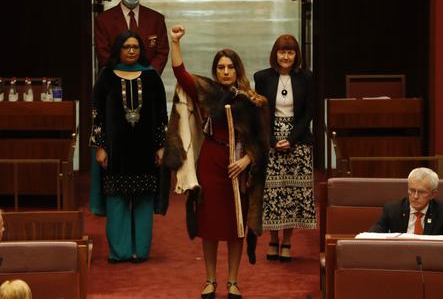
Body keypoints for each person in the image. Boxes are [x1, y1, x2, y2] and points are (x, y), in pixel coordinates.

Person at [166, 25, 269, 299]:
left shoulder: (251, 101)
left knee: (236, 227)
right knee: (210, 226)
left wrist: (247, 159)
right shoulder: (208, 92)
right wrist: (174, 42)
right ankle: (210, 280)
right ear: (215, 71)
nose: (225, 72)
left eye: (230, 67)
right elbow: (181, 74)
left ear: (238, 70)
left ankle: (233, 281)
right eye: (220, 67)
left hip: (239, 170)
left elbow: (262, 142)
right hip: (210, 164)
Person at [90, 30, 168, 264]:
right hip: (115, 152)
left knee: (143, 201)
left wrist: (161, 146)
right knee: (117, 202)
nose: (132, 50)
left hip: (145, 150)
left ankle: (140, 251)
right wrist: (100, 147)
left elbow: (162, 115)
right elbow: (97, 115)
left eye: (135, 47)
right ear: (119, 50)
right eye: (127, 47)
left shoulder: (152, 77)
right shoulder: (106, 77)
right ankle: (120, 251)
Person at [253, 34, 316, 263]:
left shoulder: (306, 78)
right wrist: (270, 140)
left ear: (296, 55)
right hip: (271, 138)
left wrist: (290, 138)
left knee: (292, 194)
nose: (286, 56)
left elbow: (309, 112)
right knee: (272, 193)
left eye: (290, 52)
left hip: (297, 140)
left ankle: (287, 241)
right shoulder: (262, 77)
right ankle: (272, 240)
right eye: (282, 52)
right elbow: (260, 112)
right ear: (275, 54)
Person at [94, 0, 169, 74]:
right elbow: (103, 53)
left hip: (148, 81)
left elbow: (162, 52)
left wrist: (149, 74)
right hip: (115, 81)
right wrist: (123, 75)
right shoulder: (104, 20)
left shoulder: (156, 19)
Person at [369, 167, 443, 235]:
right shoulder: (392, 209)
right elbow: (374, 234)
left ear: (433, 194)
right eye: (412, 190)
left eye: (422, 192)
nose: (415, 196)